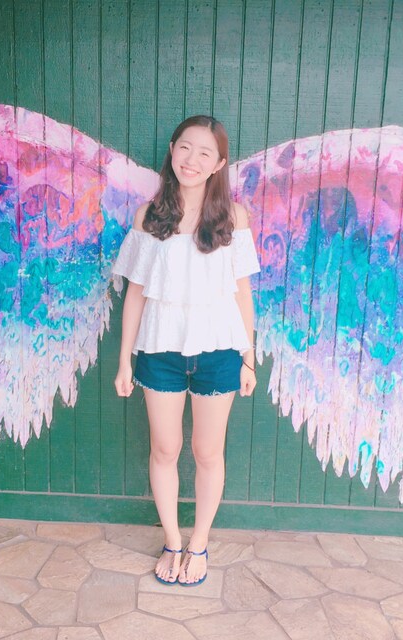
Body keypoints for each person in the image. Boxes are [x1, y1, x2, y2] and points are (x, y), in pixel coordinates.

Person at [113, 115, 260, 586]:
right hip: (160, 352)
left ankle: (199, 543)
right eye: (185, 147)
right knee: (165, 448)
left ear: (218, 164)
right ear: (172, 149)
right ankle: (173, 540)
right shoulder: (149, 216)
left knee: (207, 451)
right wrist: (124, 360)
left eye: (204, 153)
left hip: (219, 351)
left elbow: (242, 293)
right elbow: (136, 293)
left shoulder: (233, 218)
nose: (191, 160)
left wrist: (249, 357)